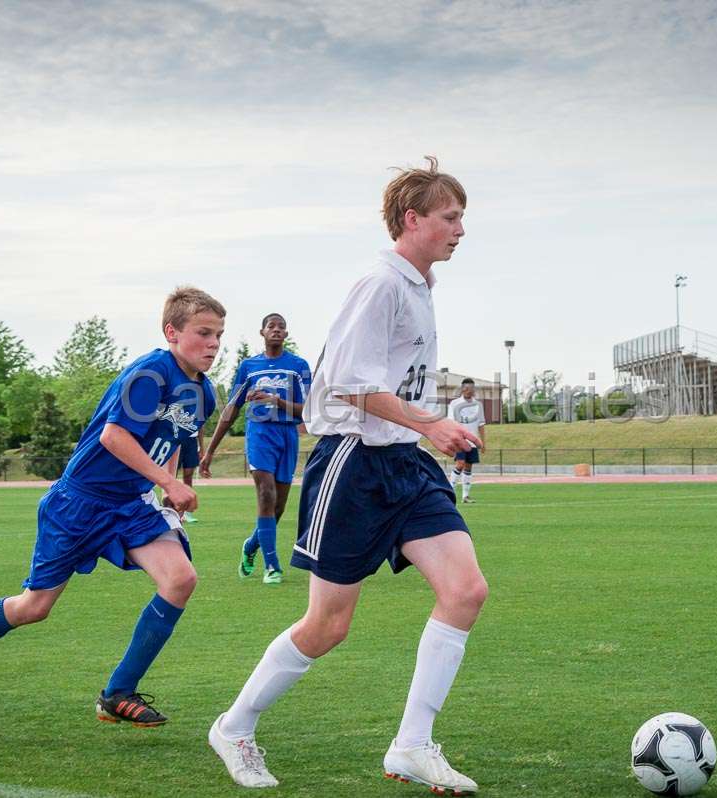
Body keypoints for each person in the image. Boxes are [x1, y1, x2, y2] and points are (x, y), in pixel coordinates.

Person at [207, 157, 486, 794]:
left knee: (465, 590)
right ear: (413, 220)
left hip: (404, 466)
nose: (460, 229)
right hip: (353, 463)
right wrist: (430, 423)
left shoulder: (419, 285)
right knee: (329, 625)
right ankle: (235, 725)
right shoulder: (380, 284)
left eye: (461, 217)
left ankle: (412, 746)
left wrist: (425, 429)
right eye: (450, 217)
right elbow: (346, 385)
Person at [0, 287, 225, 728]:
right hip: (78, 503)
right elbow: (113, 437)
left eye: (219, 335)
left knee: (180, 579)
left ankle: (117, 693)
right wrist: (169, 482)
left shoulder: (204, 394)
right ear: (172, 332)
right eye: (204, 333)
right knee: (34, 607)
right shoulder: (151, 374)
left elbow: (171, 441)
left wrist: (163, 492)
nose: (214, 344)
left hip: (130, 505)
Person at [200, 313, 311, 585]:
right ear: (262, 332)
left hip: (287, 436)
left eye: (281, 327)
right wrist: (210, 451)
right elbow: (231, 409)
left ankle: (251, 545)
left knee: (279, 507)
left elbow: (309, 410)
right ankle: (272, 566)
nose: (276, 330)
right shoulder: (249, 366)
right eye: (271, 326)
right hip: (260, 434)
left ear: (286, 334)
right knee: (265, 493)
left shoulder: (298, 366)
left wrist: (277, 400)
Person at [447, 378, 486, 503]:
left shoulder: (478, 405)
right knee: (460, 464)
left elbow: (481, 424)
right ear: (463, 389)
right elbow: (451, 423)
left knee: (468, 467)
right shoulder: (454, 404)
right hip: (460, 440)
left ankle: (465, 496)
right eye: (467, 388)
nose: (470, 391)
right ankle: (449, 491)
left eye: (472, 388)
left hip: (473, 442)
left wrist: (483, 442)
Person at [177, 431, 205, 523]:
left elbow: (201, 425)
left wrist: (201, 447)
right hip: (176, 437)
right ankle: (171, 511)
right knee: (171, 474)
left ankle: (187, 513)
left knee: (188, 475)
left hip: (192, 440)